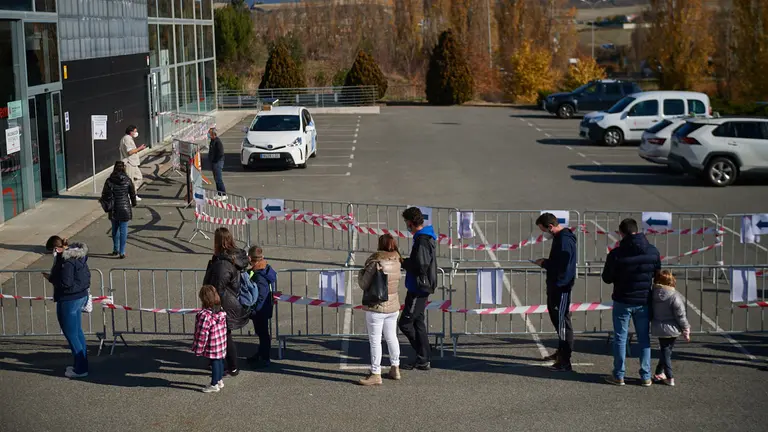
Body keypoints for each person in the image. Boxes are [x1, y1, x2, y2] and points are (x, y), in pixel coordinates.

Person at [602, 218, 661, 387]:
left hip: (623, 299)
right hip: (643, 300)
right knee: (644, 338)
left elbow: (607, 278)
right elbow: (657, 274)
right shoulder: (652, 251)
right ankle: (645, 375)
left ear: (621, 233)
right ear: (638, 230)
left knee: (620, 338)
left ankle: (619, 374)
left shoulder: (616, 254)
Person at [203, 227, 250, 376]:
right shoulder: (229, 258)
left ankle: (231, 366)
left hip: (222, 303)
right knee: (222, 334)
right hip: (227, 301)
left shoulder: (223, 263)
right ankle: (224, 364)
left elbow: (218, 286)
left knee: (224, 336)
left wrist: (213, 304)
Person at [534, 212, 578, 372]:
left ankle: (565, 360)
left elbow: (563, 264)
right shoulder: (560, 239)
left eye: (544, 230)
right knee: (557, 321)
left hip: (561, 286)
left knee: (563, 323)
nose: (544, 234)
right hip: (555, 285)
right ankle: (561, 352)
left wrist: (545, 263)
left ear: (550, 227)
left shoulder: (564, 240)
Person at [357, 234, 403, 386]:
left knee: (375, 340)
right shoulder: (397, 260)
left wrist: (360, 273)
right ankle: (395, 367)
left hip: (376, 305)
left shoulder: (376, 261)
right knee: (391, 337)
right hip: (393, 304)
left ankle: (376, 373)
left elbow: (364, 284)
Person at [44, 236, 91, 378]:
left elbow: (65, 282)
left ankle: (81, 368)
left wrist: (52, 279)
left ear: (56, 249)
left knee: (71, 335)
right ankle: (82, 364)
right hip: (80, 296)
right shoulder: (76, 256)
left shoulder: (66, 261)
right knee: (77, 332)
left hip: (69, 299)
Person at [398, 207, 437, 371]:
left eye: (407, 223)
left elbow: (421, 264)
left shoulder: (421, 240)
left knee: (406, 323)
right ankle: (424, 356)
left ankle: (423, 354)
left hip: (418, 287)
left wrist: (405, 262)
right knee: (418, 322)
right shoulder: (425, 237)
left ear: (410, 223)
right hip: (420, 286)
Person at [651, 270, 690, 386]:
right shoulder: (674, 296)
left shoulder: (653, 294)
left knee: (665, 351)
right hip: (672, 328)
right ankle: (670, 376)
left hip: (658, 327)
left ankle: (659, 372)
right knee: (667, 352)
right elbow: (680, 315)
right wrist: (686, 329)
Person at [192, 285, 228, 393]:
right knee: (220, 361)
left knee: (214, 362)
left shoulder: (204, 315)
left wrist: (198, 348)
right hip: (221, 341)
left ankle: (214, 384)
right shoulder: (220, 311)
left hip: (212, 343)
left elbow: (202, 333)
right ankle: (219, 380)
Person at [246, 245, 277, 369]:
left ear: (251, 258)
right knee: (262, 333)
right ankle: (261, 354)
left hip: (260, 310)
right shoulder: (266, 269)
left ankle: (265, 358)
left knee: (263, 334)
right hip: (264, 308)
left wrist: (253, 310)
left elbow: (261, 296)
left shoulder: (259, 276)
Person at [101, 161, 137, 259]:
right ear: (123, 169)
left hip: (113, 208)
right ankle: (122, 251)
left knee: (115, 229)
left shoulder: (109, 181)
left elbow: (104, 194)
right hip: (124, 207)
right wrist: (133, 203)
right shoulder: (128, 180)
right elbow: (132, 194)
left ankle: (115, 249)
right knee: (123, 230)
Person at [119, 125, 146, 201]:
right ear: (131, 132)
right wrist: (140, 148)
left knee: (139, 178)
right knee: (130, 180)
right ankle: (129, 196)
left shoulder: (128, 138)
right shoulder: (127, 139)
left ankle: (133, 193)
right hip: (129, 163)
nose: (136, 133)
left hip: (133, 162)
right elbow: (130, 151)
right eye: (135, 131)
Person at [207, 127, 227, 201]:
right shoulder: (212, 141)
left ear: (213, 134)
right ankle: (219, 193)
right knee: (216, 178)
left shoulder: (217, 142)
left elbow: (220, 153)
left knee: (219, 178)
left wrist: (215, 160)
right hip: (214, 162)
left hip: (217, 163)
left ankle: (224, 194)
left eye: (209, 133)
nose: (208, 134)